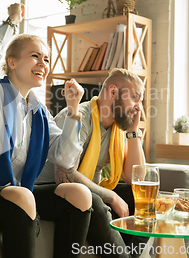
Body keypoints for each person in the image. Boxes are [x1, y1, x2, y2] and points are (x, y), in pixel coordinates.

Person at [0, 3, 92, 258]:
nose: (43, 63)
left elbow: (65, 159)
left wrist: (74, 110)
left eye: (46, 59)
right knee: (22, 196)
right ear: (11, 62)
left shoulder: (39, 113)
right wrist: (11, 21)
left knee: (79, 194)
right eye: (35, 56)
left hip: (17, 194)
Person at [36, 68, 146, 258]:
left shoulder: (117, 128)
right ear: (113, 92)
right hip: (53, 189)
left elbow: (136, 178)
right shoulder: (80, 117)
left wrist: (133, 131)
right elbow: (64, 175)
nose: (139, 107)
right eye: (135, 98)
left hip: (88, 188)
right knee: (95, 199)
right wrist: (111, 197)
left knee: (140, 196)